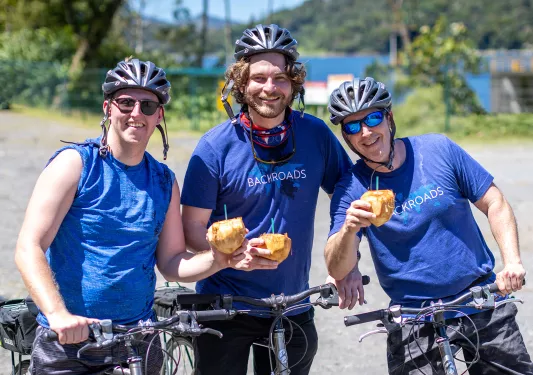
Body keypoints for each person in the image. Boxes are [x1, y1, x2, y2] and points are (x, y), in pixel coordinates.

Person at [14, 58, 239, 374]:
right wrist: (57, 314)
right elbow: (29, 247)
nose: (136, 113)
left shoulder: (164, 180)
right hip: (67, 339)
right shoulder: (75, 165)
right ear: (108, 107)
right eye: (125, 102)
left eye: (148, 106)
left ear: (159, 115)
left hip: (137, 340)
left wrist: (218, 259)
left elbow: (172, 262)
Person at [180, 24, 362, 375]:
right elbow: (191, 229)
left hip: (291, 306)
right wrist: (231, 257)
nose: (269, 88)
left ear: (293, 82)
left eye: (280, 78)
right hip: (225, 305)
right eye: (258, 78)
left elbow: (348, 188)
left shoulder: (315, 134)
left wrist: (348, 258)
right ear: (240, 84)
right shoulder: (215, 147)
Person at [325, 76, 532, 374]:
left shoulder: (438, 150)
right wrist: (348, 228)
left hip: (477, 296)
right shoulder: (350, 189)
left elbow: (494, 203)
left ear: (389, 117)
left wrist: (511, 262)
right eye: (353, 126)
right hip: (412, 313)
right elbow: (337, 267)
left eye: (373, 118)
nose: (366, 132)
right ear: (345, 135)